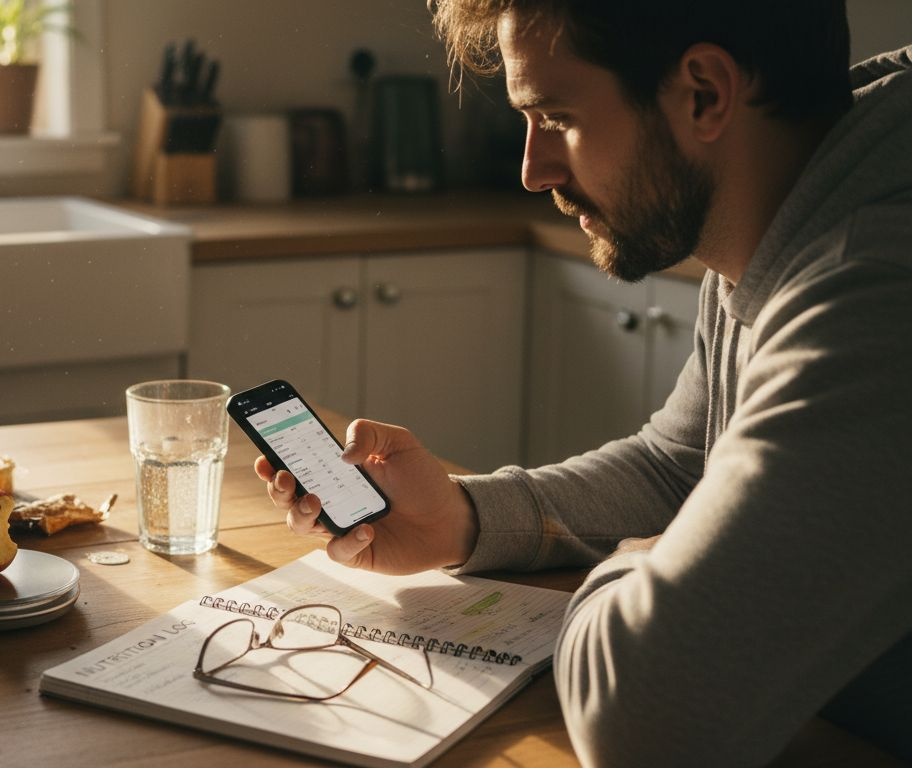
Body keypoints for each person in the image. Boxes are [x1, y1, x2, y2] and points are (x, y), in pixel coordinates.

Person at [253, 1, 912, 764]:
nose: (533, 171)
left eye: (556, 117)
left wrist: (656, 561)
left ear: (704, 92)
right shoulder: (773, 221)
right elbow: (680, 466)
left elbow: (648, 719)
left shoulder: (872, 293)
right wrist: (463, 518)